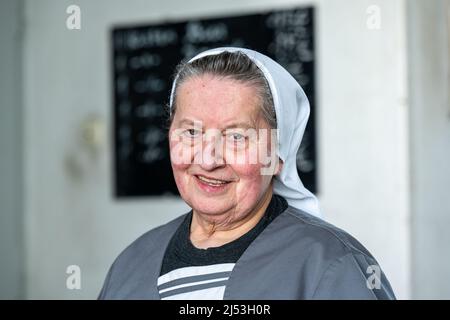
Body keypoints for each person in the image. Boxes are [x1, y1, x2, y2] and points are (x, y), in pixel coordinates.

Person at [98, 47, 396, 300]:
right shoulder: (131, 264)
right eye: (190, 132)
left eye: (236, 137)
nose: (208, 159)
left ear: (278, 154)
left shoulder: (333, 267)